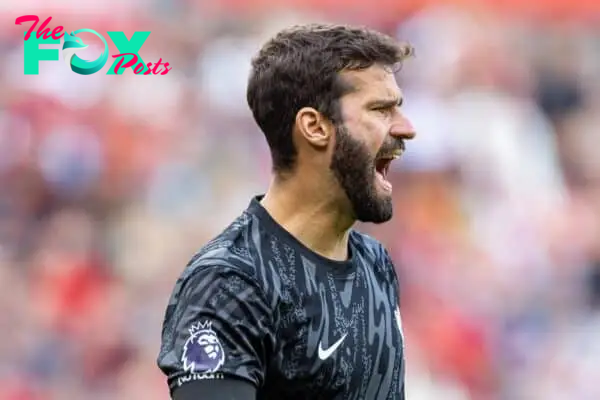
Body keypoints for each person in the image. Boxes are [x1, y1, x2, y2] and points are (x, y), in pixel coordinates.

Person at [157, 23, 416, 400]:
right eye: (381, 109)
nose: (406, 129)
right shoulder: (230, 282)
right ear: (314, 126)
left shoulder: (375, 263)